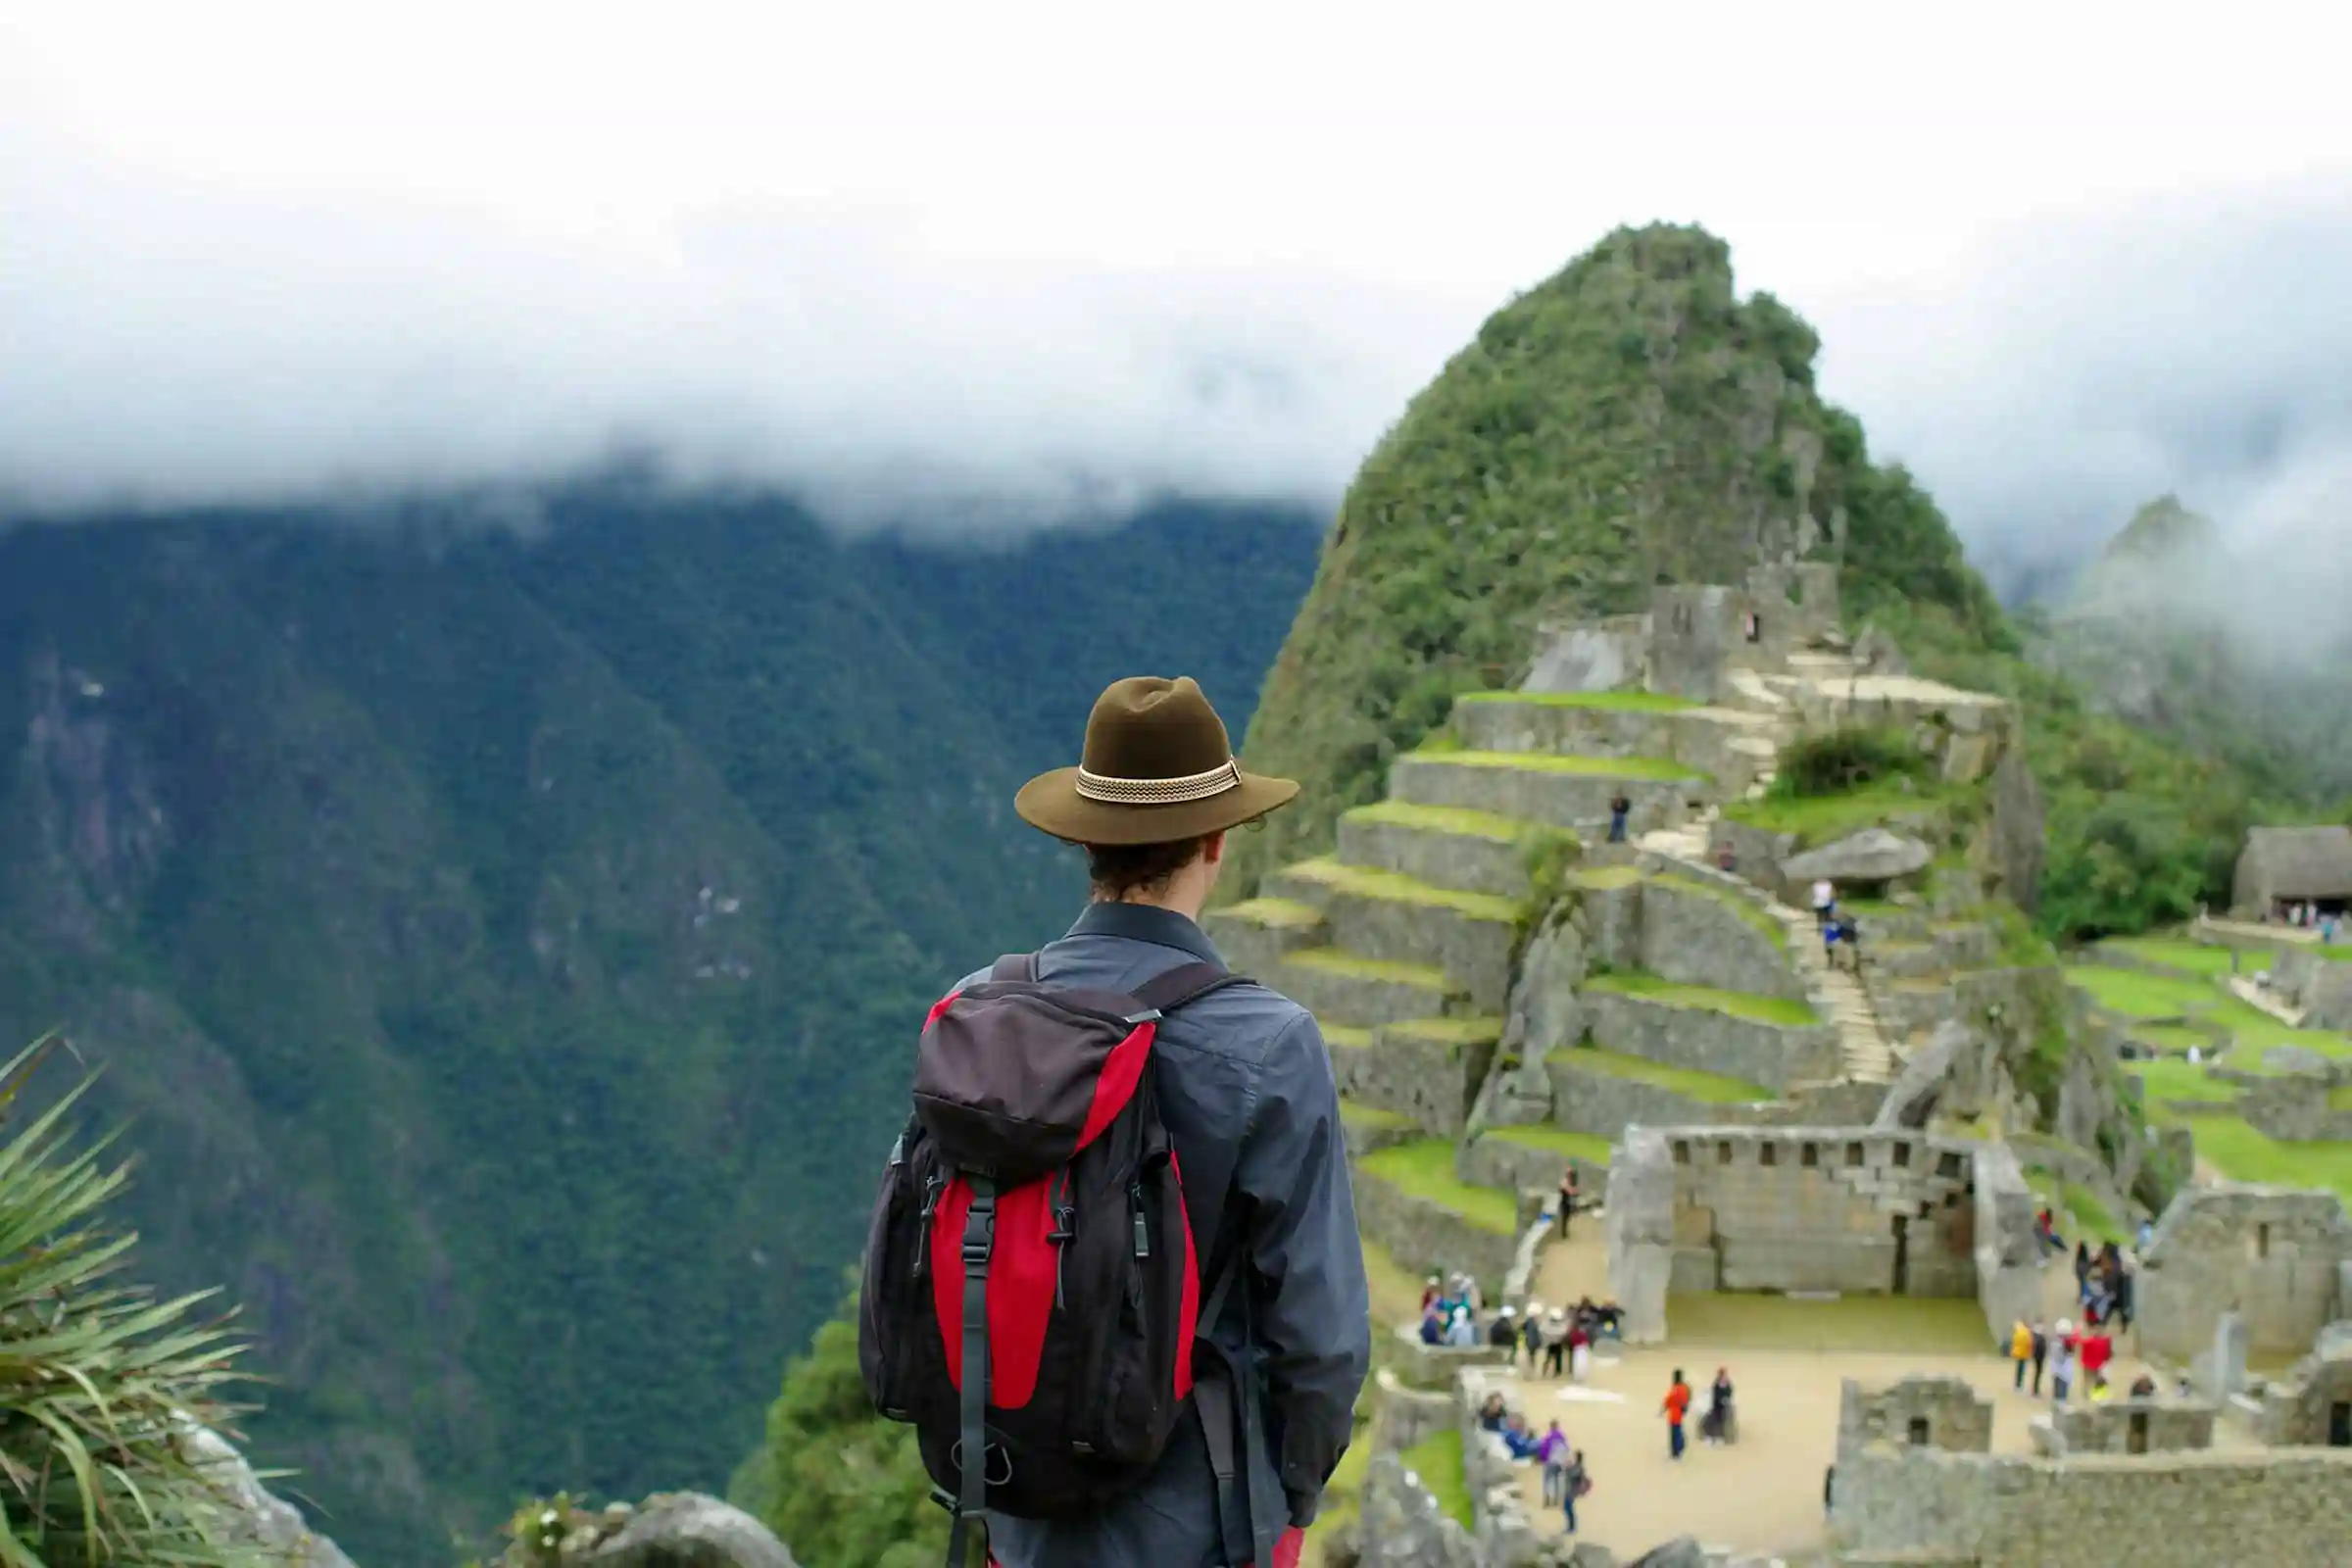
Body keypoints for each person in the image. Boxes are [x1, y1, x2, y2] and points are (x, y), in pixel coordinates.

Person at [958, 676, 1371, 1568]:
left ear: (1084, 841)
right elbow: (1321, 1337)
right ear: (1217, 841)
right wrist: (1290, 1505)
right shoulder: (1269, 1044)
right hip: (1195, 1519)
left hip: (1012, 1506)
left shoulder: (977, 1011)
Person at [1537, 1421, 1569, 1505]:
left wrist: (1542, 1459)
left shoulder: (1548, 1437)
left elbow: (1544, 1449)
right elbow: (1566, 1449)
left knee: (1547, 1480)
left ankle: (1547, 1499)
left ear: (1551, 1426)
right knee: (1557, 1481)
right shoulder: (1562, 1437)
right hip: (1559, 1463)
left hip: (1550, 1462)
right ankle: (1555, 1500)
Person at [1662, 1369, 1692, 1460]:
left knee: (1674, 1434)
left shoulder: (1674, 1389)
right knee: (1678, 1431)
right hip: (1680, 1414)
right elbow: (1687, 1398)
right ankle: (1679, 1449)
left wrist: (1663, 1409)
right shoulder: (1684, 1388)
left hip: (1674, 1414)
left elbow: (1668, 1401)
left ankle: (1675, 1452)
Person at [1700, 1367, 1735, 1446]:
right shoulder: (1718, 1382)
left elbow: (1729, 1392)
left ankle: (1719, 1438)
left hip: (1722, 1406)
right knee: (1712, 1421)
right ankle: (1711, 1437)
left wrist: (1724, 1399)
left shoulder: (1725, 1382)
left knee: (1719, 1422)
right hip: (1716, 1405)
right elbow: (1714, 1392)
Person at [1560, 1449, 1590, 1534]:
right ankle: (1571, 1527)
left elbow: (1570, 1474)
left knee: (1568, 1508)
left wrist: (1567, 1468)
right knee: (1567, 1508)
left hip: (1572, 1491)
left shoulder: (1578, 1468)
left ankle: (1571, 1527)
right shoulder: (1578, 1467)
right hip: (1571, 1490)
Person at [2050, 1318, 2077, 1403]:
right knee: (2061, 1388)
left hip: (2059, 1369)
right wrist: (2067, 1353)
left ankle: (2058, 1402)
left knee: (2059, 1387)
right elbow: (2060, 1357)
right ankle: (2060, 1403)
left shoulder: (2060, 1341)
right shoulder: (2058, 1342)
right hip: (2061, 1370)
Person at [1543, 1310, 1569, 1378]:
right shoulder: (1548, 1325)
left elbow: (1564, 1333)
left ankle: (1555, 1371)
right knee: (1553, 1358)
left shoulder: (1559, 1325)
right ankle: (1552, 1371)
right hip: (1554, 1344)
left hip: (1555, 1344)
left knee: (1556, 1358)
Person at [2010, 1318, 2034, 1391]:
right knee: (2021, 1369)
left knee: (2018, 1369)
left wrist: (2013, 1351)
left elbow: (2014, 1342)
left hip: (2018, 1352)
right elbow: (2029, 1343)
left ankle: (2017, 1384)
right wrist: (2030, 1352)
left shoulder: (2018, 1332)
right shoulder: (2027, 1332)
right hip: (2024, 1353)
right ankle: (2019, 1385)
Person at [1557, 1166, 1580, 1239]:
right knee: (1565, 1217)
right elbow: (1562, 1189)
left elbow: (1574, 1193)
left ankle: (1564, 1233)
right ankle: (1564, 1233)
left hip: (1568, 1201)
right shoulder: (1565, 1182)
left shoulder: (1572, 1183)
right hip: (1565, 1201)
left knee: (1566, 1218)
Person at [1568, 1317, 1592, 1384]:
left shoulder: (1577, 1331)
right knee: (1580, 1362)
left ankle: (1579, 1376)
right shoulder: (1578, 1331)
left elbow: (1574, 1340)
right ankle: (1579, 1376)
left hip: (1579, 1348)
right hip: (1580, 1348)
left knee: (1579, 1362)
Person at [1521, 1304, 1545, 1370]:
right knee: (1532, 1354)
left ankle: (1532, 1365)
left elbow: (1523, 1329)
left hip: (1530, 1341)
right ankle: (1532, 1365)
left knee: (1531, 1354)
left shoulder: (1528, 1322)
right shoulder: (1536, 1322)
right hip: (1534, 1341)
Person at [2030, 1318, 2049, 1397]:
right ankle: (2035, 1390)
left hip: (2038, 1356)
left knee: (2038, 1373)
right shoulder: (2039, 1336)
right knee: (2038, 1373)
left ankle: (2035, 1389)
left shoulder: (2036, 1335)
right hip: (2039, 1356)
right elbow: (2040, 1347)